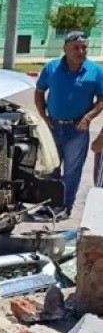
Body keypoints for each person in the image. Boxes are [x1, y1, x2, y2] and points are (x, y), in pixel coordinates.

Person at [33, 31, 103, 219]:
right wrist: (43, 116)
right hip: (53, 127)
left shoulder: (95, 71)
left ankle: (65, 207)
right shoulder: (52, 68)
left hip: (77, 130)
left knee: (72, 172)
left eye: (84, 47)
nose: (81, 51)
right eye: (76, 48)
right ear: (65, 48)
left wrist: (88, 117)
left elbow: (102, 99)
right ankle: (48, 207)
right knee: (50, 169)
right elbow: (39, 91)